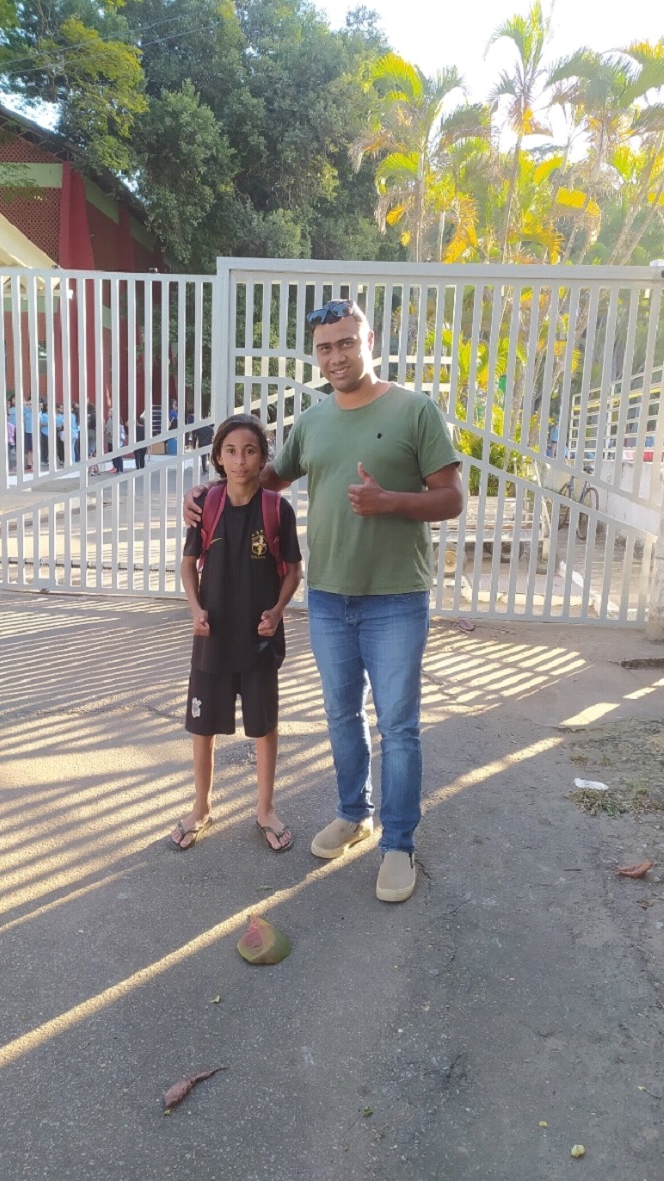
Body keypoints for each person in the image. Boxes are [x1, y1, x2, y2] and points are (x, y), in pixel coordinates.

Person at [185, 299, 462, 901]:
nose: (336, 357)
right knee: (341, 717)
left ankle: (398, 844)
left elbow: (451, 498)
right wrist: (207, 492)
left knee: (398, 726)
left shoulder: (414, 410)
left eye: (346, 343)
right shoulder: (312, 422)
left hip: (396, 598)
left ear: (369, 341)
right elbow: (261, 479)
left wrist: (391, 502)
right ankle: (353, 814)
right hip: (330, 598)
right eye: (325, 348)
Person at [174, 413, 303, 853]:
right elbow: (188, 567)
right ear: (217, 457)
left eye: (250, 451)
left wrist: (277, 611)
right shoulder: (206, 506)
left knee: (264, 726)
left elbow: (293, 571)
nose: (240, 460)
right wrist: (195, 610)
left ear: (264, 458)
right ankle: (201, 807)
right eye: (230, 451)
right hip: (212, 637)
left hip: (259, 639)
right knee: (203, 727)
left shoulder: (277, 510)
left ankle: (265, 809)